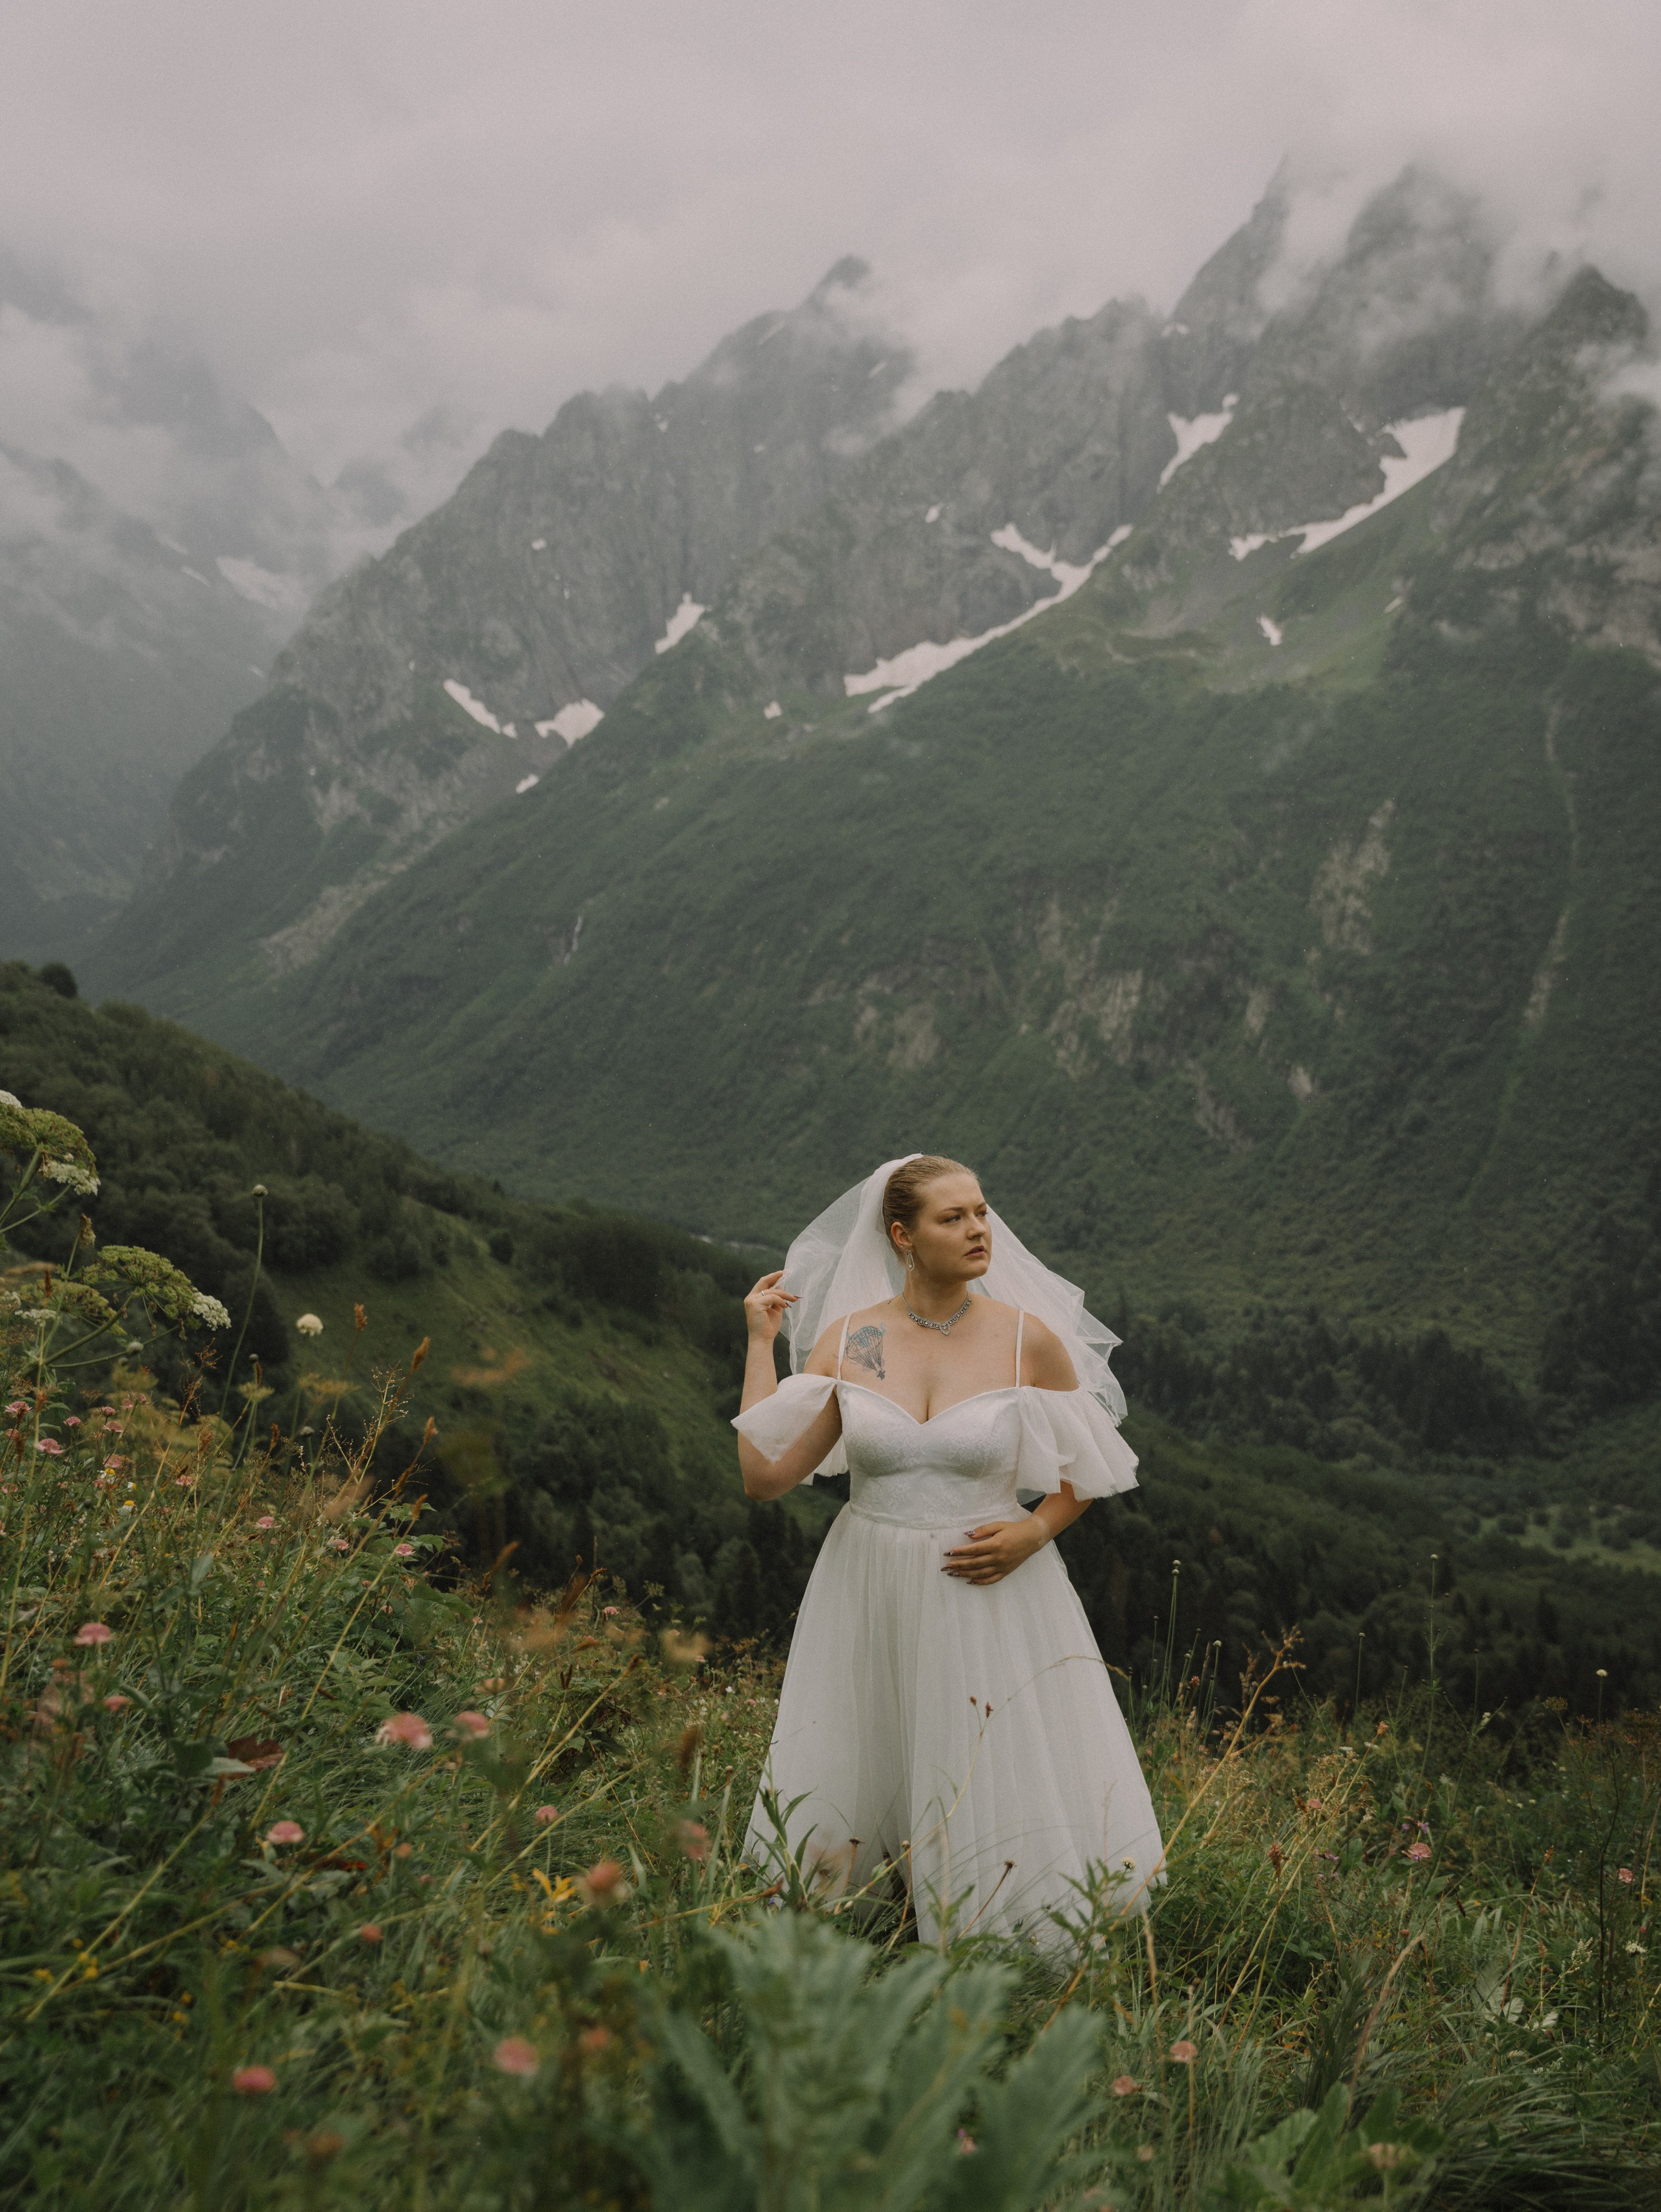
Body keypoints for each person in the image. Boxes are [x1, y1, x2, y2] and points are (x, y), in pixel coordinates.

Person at [734, 1153, 1163, 1949]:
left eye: (980, 1210)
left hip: (989, 1582)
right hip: (868, 1578)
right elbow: (766, 1475)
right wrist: (762, 1342)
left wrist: (1035, 1531)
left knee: (985, 1753)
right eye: (952, 1216)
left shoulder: (1023, 1342)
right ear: (902, 1235)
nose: (977, 1229)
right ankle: (866, 1912)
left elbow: (1088, 1468)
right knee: (870, 1739)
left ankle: (995, 1930)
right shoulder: (856, 1341)